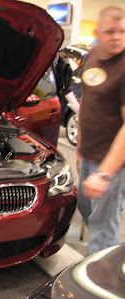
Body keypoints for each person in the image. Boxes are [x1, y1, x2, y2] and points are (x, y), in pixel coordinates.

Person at [77, 6, 125, 255]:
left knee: (103, 227)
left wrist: (105, 174)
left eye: (122, 31)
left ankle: (101, 282)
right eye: (110, 32)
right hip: (88, 154)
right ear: (97, 33)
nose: (117, 37)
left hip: (111, 163)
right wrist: (80, 143)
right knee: (88, 210)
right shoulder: (93, 54)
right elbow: (87, 96)